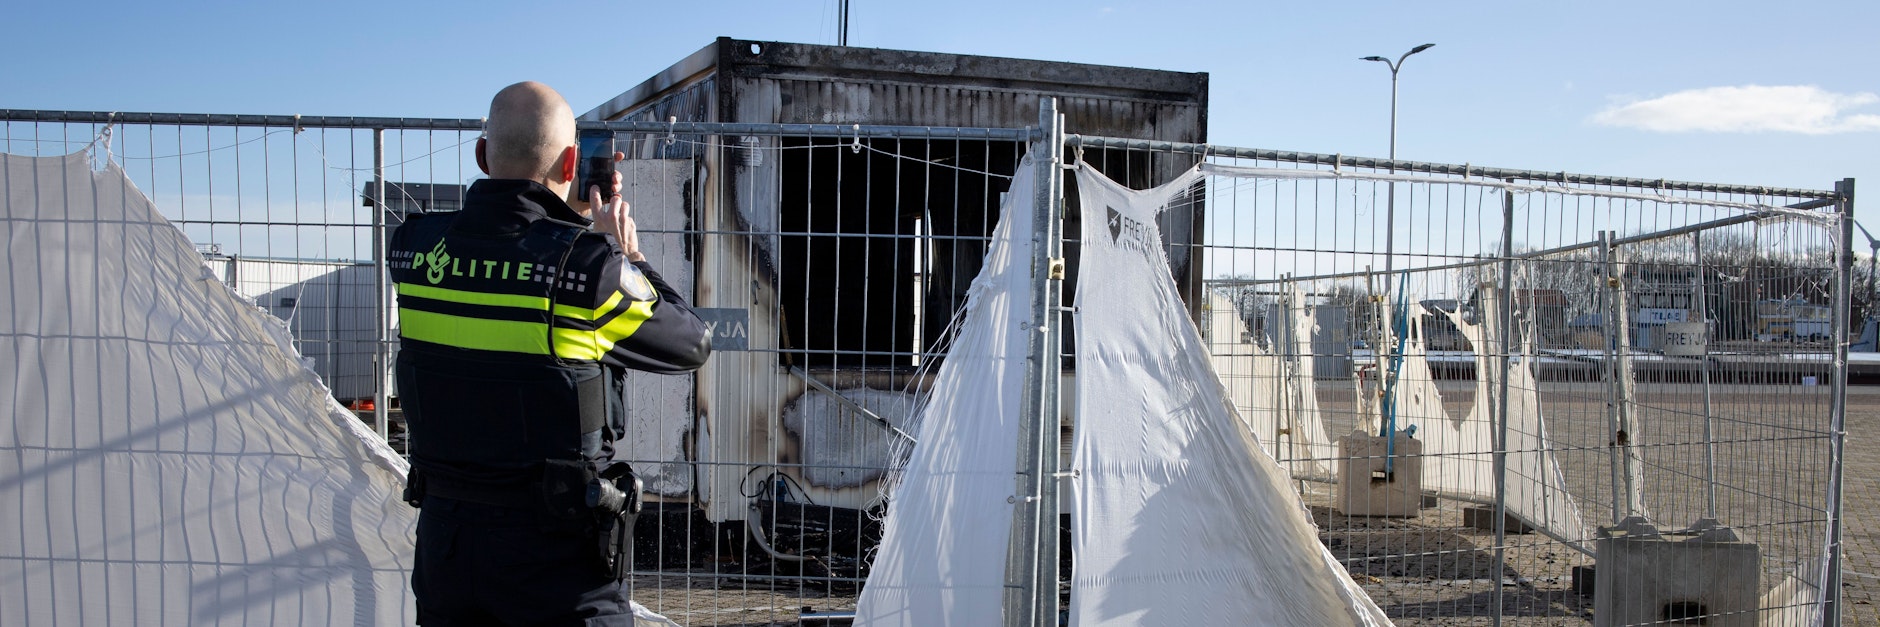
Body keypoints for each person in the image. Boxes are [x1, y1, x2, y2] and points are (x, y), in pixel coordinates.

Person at [389, 81, 711, 626]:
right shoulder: (588, 270)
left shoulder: (414, 250)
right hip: (557, 566)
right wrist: (626, 255)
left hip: (447, 554)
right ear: (570, 164)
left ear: (482, 155)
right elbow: (691, 341)